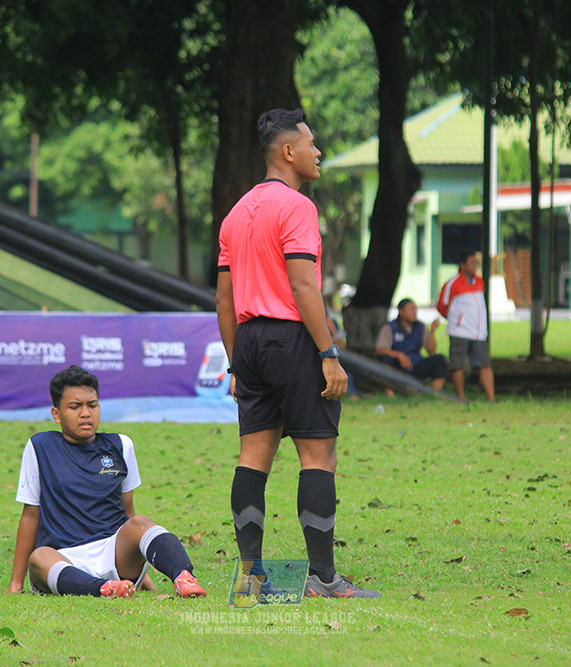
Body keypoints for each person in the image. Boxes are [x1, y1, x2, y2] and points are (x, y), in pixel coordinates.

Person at [216, 108, 379, 598]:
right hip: (291, 339)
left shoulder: (236, 213)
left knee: (253, 456)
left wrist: (235, 363)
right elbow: (303, 285)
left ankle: (251, 577)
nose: (318, 152)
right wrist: (328, 352)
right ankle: (323, 578)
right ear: (288, 152)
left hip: (248, 341)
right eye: (311, 144)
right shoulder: (298, 207)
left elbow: (223, 299)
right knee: (318, 454)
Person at [6, 365, 206, 598]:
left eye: (92, 405)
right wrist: (15, 584)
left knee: (140, 522)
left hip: (113, 554)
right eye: (75, 407)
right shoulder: (39, 447)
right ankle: (103, 589)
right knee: (39, 557)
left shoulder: (121, 446)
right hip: (63, 557)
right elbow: (30, 515)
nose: (85, 413)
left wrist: (142, 562)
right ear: (56, 414)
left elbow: (128, 513)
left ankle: (184, 577)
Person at [436, 251, 496, 402]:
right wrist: (458, 320)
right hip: (460, 331)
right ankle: (460, 396)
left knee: (484, 364)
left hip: (479, 332)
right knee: (457, 364)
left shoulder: (479, 281)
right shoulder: (453, 283)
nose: (474, 266)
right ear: (462, 265)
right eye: (471, 262)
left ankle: (491, 397)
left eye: (475, 263)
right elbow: (442, 306)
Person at [375, 297, 448, 392]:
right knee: (385, 358)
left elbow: (431, 351)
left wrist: (432, 331)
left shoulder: (420, 327)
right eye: (410, 309)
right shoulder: (390, 328)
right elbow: (380, 350)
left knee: (440, 359)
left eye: (415, 309)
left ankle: (434, 392)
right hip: (398, 367)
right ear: (401, 312)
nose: (414, 312)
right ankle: (389, 392)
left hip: (415, 364)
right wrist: (398, 355)